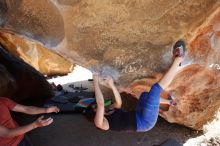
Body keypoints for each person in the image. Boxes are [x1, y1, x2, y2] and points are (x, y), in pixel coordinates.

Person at [85, 40, 186, 132]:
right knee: (155, 90)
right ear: (93, 113)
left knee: (145, 96)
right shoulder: (100, 124)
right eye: (95, 107)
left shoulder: (109, 111)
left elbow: (119, 103)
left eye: (95, 105)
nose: (98, 106)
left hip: (138, 113)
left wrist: (112, 85)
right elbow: (101, 103)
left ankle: (170, 102)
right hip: (144, 122)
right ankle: (178, 60)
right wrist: (95, 81)